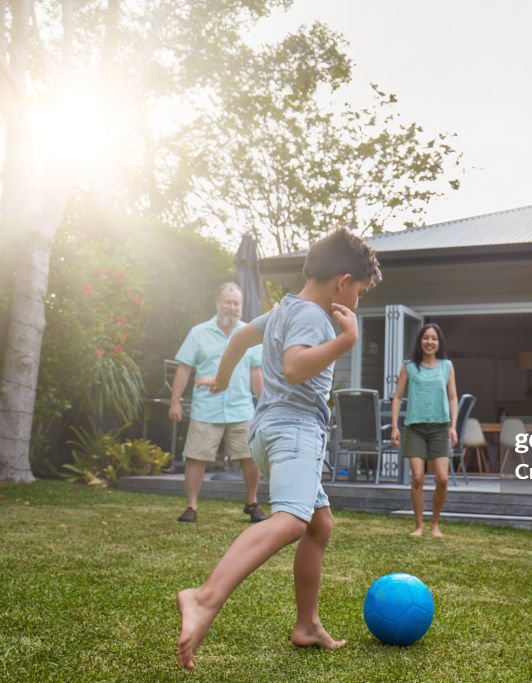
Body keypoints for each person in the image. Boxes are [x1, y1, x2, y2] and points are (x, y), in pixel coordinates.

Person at [176, 229, 381, 670]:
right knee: (291, 521)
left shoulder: (285, 308)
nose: (357, 301)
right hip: (294, 432)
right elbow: (293, 367)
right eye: (360, 292)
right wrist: (346, 342)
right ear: (343, 281)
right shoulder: (312, 315)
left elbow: (238, 340)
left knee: (319, 524)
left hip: (267, 430)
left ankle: (306, 624)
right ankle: (204, 597)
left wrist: (223, 377)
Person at [170, 283, 268, 524]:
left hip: (241, 406)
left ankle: (252, 502)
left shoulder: (250, 333)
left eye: (237, 304)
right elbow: (184, 368)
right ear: (218, 303)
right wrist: (175, 401)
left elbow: (257, 372)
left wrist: (264, 403)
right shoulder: (198, 332)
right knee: (196, 457)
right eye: (228, 302)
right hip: (206, 407)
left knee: (251, 456)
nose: (232, 307)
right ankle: (191, 507)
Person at [390, 323, 458, 538]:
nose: (430, 342)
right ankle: (419, 525)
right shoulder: (409, 367)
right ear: (420, 341)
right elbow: (398, 397)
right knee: (417, 477)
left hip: (440, 428)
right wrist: (394, 426)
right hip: (415, 428)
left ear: (439, 343)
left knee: (442, 478)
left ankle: (435, 524)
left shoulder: (447, 366)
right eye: (426, 338)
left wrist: (454, 426)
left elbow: (453, 397)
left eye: (434, 338)